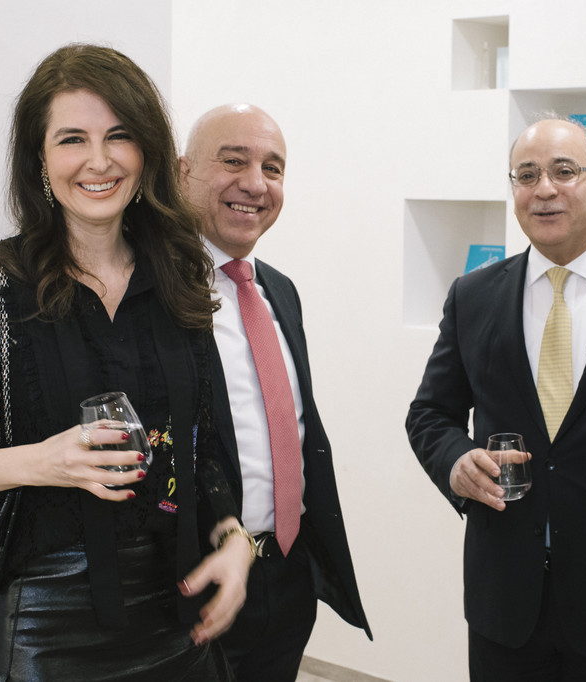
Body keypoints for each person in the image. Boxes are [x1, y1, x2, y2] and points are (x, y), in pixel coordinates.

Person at [0, 44, 255, 681]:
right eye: (72, 139)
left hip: (176, 613)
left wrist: (233, 539)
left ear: (147, 152)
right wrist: (39, 462)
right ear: (40, 157)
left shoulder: (177, 280)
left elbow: (204, 448)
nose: (99, 160)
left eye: (119, 136)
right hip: (41, 623)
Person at [406, 113, 586, 680]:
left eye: (564, 171)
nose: (544, 189)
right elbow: (430, 413)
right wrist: (456, 462)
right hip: (504, 599)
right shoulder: (473, 295)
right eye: (527, 175)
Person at [180, 103, 371, 681]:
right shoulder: (154, 292)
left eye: (273, 168)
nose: (255, 184)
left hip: (287, 576)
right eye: (233, 161)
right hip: (197, 582)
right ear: (183, 172)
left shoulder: (278, 290)